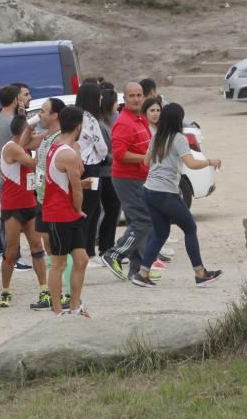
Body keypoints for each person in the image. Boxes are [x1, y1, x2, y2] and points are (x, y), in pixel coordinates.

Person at [132, 103, 223, 287]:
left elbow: (147, 162)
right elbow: (190, 163)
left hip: (149, 190)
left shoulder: (157, 136)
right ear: (178, 120)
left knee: (160, 232)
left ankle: (142, 274)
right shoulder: (178, 138)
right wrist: (210, 161)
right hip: (166, 193)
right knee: (190, 228)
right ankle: (200, 273)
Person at [102, 82, 162, 280]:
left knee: (142, 222)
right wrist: (144, 159)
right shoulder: (124, 122)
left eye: (139, 95)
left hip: (140, 177)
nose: (136, 99)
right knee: (143, 220)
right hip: (126, 178)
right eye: (132, 96)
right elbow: (119, 154)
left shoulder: (140, 119)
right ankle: (115, 254)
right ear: (124, 99)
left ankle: (137, 271)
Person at [43, 106, 91, 316]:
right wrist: (79, 208)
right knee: (59, 263)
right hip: (60, 213)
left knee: (81, 259)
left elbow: (72, 178)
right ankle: (56, 309)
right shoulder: (66, 153)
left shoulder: (58, 145)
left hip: (67, 212)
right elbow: (77, 187)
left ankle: (74, 305)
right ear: (79, 126)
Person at [0, 115, 49, 309]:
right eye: (30, 132)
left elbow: (44, 137)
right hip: (12, 207)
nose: (33, 136)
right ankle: (5, 291)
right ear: (22, 132)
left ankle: (44, 288)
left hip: (30, 203)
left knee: (37, 247)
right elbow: (32, 163)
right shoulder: (11, 147)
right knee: (11, 251)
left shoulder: (26, 143)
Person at [33, 97, 69, 309]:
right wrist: (28, 123)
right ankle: (54, 293)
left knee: (59, 250)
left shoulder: (61, 140)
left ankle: (64, 294)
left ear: (55, 115)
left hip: (54, 201)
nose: (40, 115)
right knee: (49, 247)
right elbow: (24, 144)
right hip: (41, 198)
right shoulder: (47, 137)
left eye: (44, 112)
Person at [0, 84, 26, 269]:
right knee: (12, 218)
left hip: (1, 173)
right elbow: (25, 139)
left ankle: (7, 253)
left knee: (9, 216)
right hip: (10, 176)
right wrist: (22, 117)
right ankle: (9, 256)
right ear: (15, 100)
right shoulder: (11, 122)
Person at [75, 82, 109, 260]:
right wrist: (103, 155)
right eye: (99, 95)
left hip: (78, 167)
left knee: (86, 209)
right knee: (91, 209)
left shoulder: (74, 115)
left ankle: (86, 251)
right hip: (91, 169)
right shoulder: (90, 119)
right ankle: (87, 252)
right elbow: (102, 148)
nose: (102, 98)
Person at [96, 88, 122, 258]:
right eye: (115, 103)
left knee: (113, 212)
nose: (118, 106)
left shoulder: (109, 123)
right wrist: (119, 157)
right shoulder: (101, 125)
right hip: (106, 174)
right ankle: (106, 247)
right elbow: (104, 153)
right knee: (111, 211)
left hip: (111, 172)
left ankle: (108, 245)